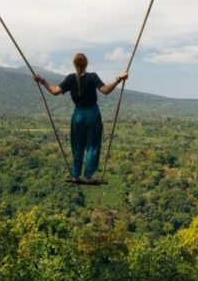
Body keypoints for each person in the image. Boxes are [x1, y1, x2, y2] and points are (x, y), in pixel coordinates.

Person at [34, 53, 128, 183]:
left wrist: (42, 81)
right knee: (93, 145)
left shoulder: (70, 79)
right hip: (92, 115)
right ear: (86, 64)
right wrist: (119, 78)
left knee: (77, 145)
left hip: (78, 116)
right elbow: (105, 90)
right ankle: (88, 176)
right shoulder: (92, 77)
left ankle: (75, 175)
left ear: (74, 64)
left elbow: (55, 91)